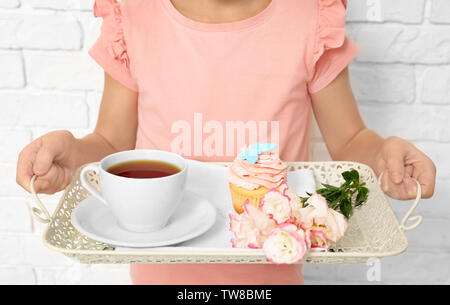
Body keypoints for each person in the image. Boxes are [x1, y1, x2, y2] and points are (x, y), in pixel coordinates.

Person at [16, 0, 436, 285]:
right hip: (161, 279)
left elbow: (350, 140)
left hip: (270, 280)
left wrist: (383, 156)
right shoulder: (135, 15)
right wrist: (75, 155)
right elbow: (111, 141)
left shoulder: (309, 15)